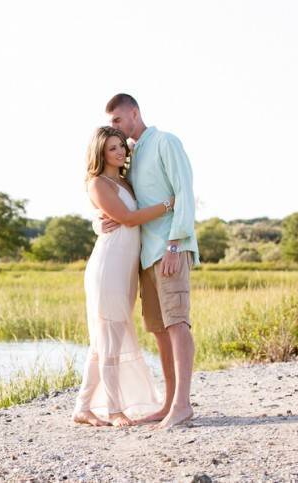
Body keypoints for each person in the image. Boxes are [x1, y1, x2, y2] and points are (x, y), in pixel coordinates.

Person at [96, 93, 200, 429]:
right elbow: (119, 200)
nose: (114, 128)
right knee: (158, 329)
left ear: (134, 113)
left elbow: (183, 193)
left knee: (177, 324)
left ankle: (182, 405)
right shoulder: (132, 154)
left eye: (116, 121)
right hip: (145, 255)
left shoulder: (166, 142)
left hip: (169, 250)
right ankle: (168, 403)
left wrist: (175, 244)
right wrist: (100, 220)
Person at [72, 126, 173, 427]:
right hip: (108, 267)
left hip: (125, 269)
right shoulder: (97, 183)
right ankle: (114, 409)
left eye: (121, 146)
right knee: (110, 338)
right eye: (112, 148)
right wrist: (168, 205)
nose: (119, 152)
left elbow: (125, 216)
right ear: (100, 152)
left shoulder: (125, 183)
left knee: (103, 341)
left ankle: (82, 408)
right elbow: (127, 218)